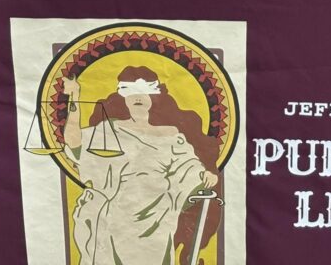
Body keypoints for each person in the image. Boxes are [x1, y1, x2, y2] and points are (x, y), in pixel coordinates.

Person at [62, 66, 221, 265]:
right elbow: (74, 142)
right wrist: (74, 97)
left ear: (153, 98)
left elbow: (187, 165)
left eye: (144, 91)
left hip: (158, 215)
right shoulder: (109, 131)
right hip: (118, 212)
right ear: (124, 97)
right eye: (131, 92)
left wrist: (205, 175)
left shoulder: (171, 134)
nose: (138, 97)